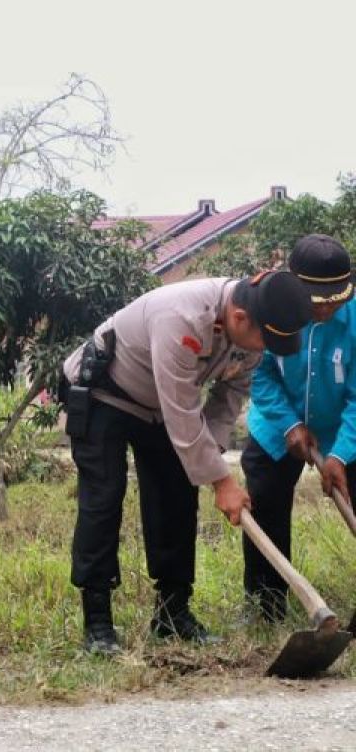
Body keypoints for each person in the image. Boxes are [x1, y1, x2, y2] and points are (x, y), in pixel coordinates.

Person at [60, 271, 312, 654]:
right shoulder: (180, 316)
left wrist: (211, 465)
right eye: (267, 339)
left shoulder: (253, 337)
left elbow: (226, 404)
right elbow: (182, 409)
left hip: (157, 407)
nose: (267, 349)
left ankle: (172, 613)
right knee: (104, 498)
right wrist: (221, 480)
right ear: (240, 317)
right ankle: (98, 624)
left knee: (177, 495)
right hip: (103, 395)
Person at [243, 235, 356, 621]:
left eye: (334, 301)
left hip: (343, 428)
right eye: (316, 303)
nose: (325, 311)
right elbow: (259, 375)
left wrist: (340, 453)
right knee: (265, 502)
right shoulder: (272, 309)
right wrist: (290, 424)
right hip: (278, 423)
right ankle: (265, 605)